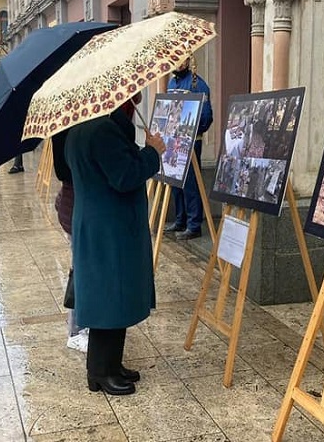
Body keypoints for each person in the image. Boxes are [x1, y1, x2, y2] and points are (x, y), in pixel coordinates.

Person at [65, 95, 165, 396]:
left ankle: (112, 364)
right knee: (108, 297)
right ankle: (99, 372)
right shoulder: (102, 130)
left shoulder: (81, 126)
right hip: (109, 227)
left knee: (113, 295)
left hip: (99, 222)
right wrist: (153, 152)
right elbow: (125, 176)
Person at [163, 58, 213, 240]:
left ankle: (194, 224)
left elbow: (206, 116)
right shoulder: (171, 83)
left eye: (181, 59)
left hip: (190, 141)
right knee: (176, 181)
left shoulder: (198, 84)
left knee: (190, 183)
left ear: (189, 60)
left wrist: (191, 131)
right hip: (173, 140)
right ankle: (180, 219)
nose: (178, 63)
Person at [52, 130, 87, 353]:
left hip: (70, 206)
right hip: (76, 207)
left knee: (80, 269)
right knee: (81, 271)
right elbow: (65, 171)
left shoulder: (63, 128)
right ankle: (76, 331)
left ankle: (80, 326)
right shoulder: (74, 132)